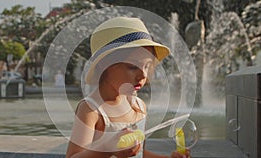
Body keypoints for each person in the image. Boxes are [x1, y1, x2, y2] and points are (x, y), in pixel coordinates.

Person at [66, 17, 191, 158]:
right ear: (104, 66)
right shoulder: (91, 110)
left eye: (147, 66)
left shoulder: (139, 107)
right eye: (132, 67)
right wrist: (107, 148)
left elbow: (139, 154)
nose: (143, 75)